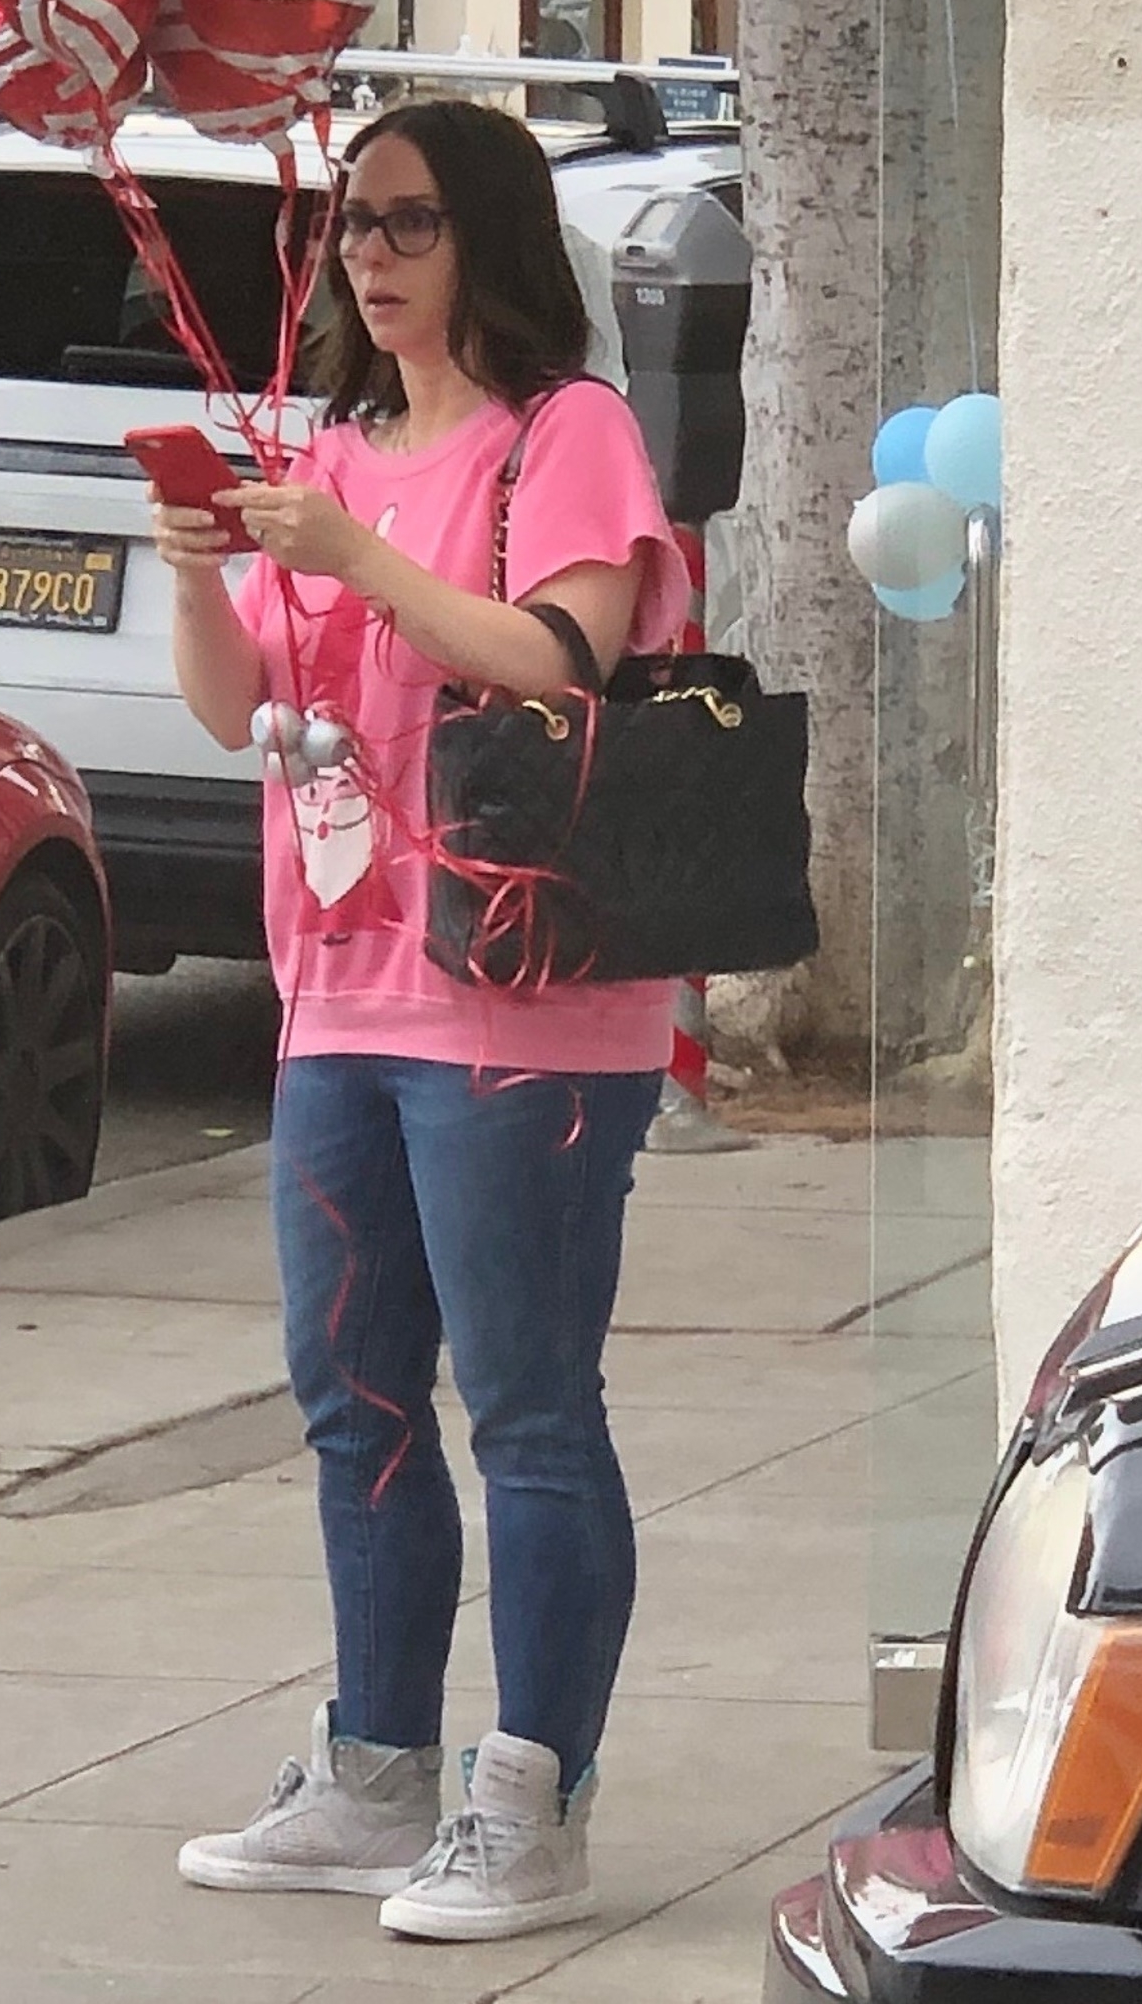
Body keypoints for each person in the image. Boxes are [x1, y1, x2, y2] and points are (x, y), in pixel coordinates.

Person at [152, 99, 692, 1946]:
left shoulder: (570, 433)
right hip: (339, 985)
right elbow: (240, 711)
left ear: (492, 241)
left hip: (526, 1003)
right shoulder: (337, 445)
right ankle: (375, 1770)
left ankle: (533, 1798)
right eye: (353, 232)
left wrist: (356, 552)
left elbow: (564, 655)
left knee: (527, 1407)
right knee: (354, 1398)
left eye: (409, 225)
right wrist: (188, 555)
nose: (370, 260)